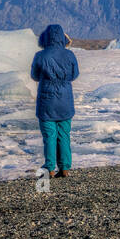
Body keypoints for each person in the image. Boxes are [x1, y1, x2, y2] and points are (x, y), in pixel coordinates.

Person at [30, 23, 79, 177]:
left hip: (47, 100)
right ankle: (65, 168)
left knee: (49, 136)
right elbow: (74, 75)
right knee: (64, 135)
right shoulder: (69, 55)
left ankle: (50, 168)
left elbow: (35, 76)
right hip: (65, 100)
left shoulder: (40, 56)